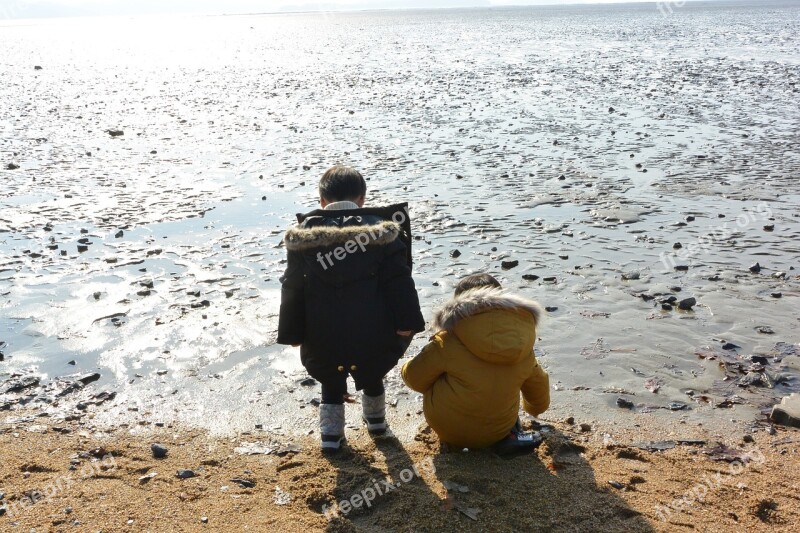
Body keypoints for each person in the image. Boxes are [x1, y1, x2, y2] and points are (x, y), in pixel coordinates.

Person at [277, 165, 425, 452]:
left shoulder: (302, 236)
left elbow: (291, 286)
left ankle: (331, 438)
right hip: (371, 326)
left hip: (321, 330)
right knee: (372, 372)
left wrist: (292, 332)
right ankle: (377, 424)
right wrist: (406, 322)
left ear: (321, 201)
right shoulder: (381, 233)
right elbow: (399, 282)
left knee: (331, 380)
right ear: (362, 199)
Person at [401, 273, 549, 452]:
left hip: (448, 429)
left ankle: (456, 440)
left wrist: (404, 367)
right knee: (507, 384)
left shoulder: (447, 341)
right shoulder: (522, 344)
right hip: (497, 431)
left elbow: (415, 380)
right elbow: (538, 391)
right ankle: (510, 433)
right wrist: (533, 408)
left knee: (438, 374)